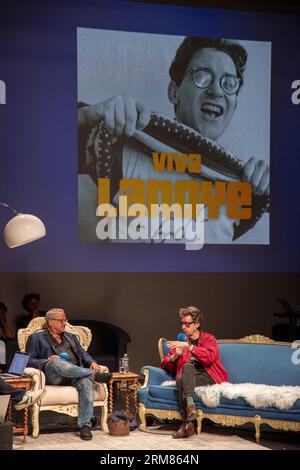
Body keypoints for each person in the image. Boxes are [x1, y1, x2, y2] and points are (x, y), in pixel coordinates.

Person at [78, 36, 269, 244]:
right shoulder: (121, 146)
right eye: (202, 76)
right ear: (173, 92)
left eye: (229, 83)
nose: (216, 91)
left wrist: (264, 184)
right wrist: (87, 116)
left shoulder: (241, 192)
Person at [25, 308, 111, 440]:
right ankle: (92, 375)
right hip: (54, 376)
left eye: (65, 320)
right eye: (61, 320)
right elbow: (28, 361)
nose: (65, 323)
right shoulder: (36, 338)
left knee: (85, 382)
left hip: (75, 374)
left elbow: (83, 354)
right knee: (56, 361)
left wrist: (92, 362)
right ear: (51, 322)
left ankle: (85, 426)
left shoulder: (71, 337)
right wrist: (46, 360)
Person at [160, 306, 228, 439]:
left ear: (197, 324)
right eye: (182, 324)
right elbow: (164, 364)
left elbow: (209, 358)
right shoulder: (181, 340)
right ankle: (190, 411)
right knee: (185, 371)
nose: (183, 328)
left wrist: (189, 347)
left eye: (187, 324)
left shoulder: (209, 338)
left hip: (208, 376)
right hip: (189, 377)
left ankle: (186, 424)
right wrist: (175, 357)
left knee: (183, 376)